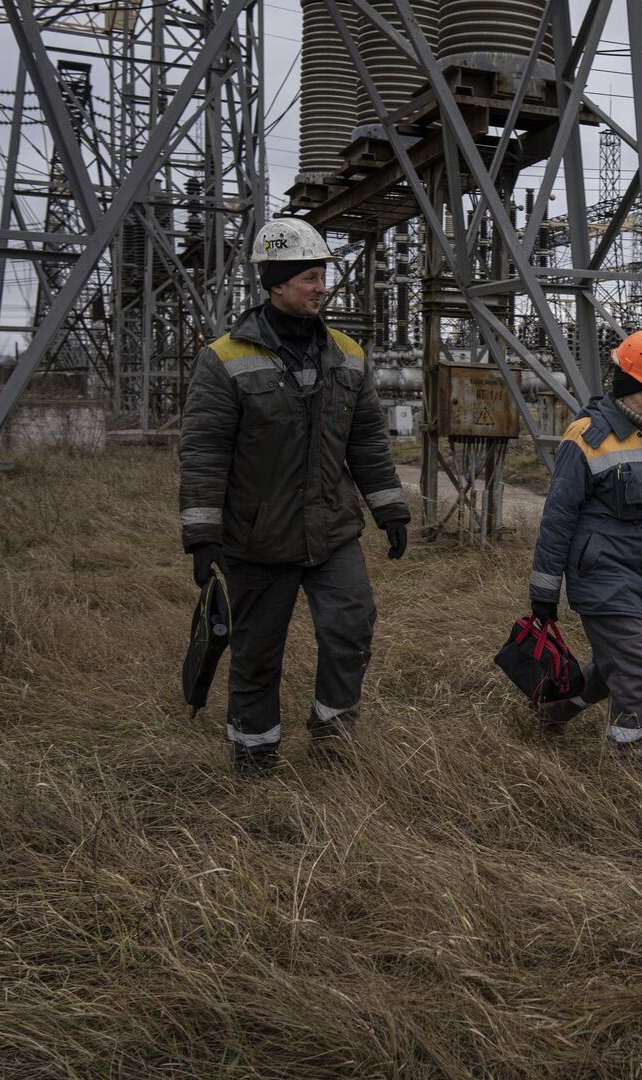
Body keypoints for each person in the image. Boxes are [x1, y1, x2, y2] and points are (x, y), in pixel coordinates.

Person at [178, 217, 411, 777]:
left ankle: (333, 740)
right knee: (257, 650)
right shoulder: (226, 358)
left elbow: (366, 439)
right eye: (309, 277)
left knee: (351, 629)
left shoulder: (347, 355)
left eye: (322, 275)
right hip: (258, 537)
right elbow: (204, 451)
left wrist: (390, 508)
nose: (320, 287)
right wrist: (203, 535)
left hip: (332, 529)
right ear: (277, 282)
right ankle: (254, 752)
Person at [527, 330, 642, 751]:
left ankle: (552, 710)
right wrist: (544, 592)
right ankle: (628, 771)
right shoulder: (586, 438)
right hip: (602, 581)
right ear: (625, 388)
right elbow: (557, 520)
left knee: (613, 667)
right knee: (638, 672)